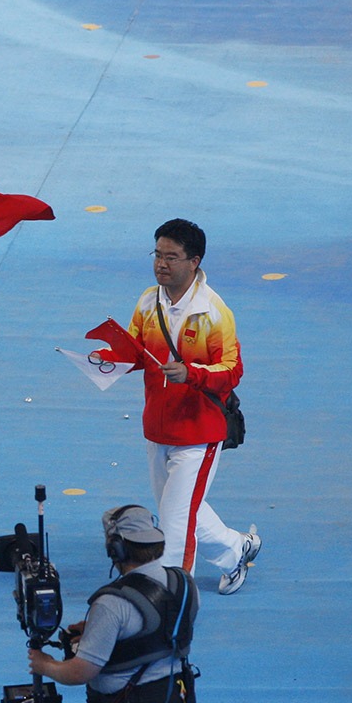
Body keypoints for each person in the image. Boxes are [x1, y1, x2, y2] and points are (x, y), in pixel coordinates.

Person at [105, 219, 259, 595]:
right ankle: (236, 549)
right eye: (157, 255)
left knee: (175, 526)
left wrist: (191, 374)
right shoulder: (148, 300)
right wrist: (105, 357)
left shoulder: (214, 313)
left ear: (194, 261)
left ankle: (171, 597)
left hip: (198, 432)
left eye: (171, 257)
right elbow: (137, 353)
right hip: (157, 429)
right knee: (184, 510)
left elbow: (231, 370)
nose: (161, 264)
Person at [29, 505, 199, 703]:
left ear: (116, 550)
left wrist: (44, 664)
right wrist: (100, 631)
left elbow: (80, 672)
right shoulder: (184, 584)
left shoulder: (111, 604)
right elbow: (161, 634)